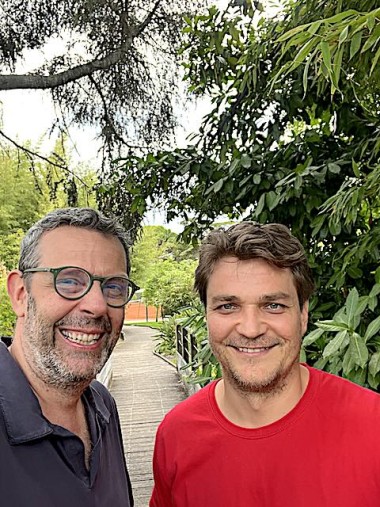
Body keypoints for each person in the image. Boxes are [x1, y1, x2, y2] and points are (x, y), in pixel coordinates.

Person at [150, 221, 380, 507]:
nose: (250, 328)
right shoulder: (176, 435)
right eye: (227, 306)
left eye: (273, 306)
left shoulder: (373, 426)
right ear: (207, 316)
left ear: (303, 314)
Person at [1, 207, 138, 506]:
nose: (97, 305)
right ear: (21, 294)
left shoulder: (102, 406)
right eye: (69, 281)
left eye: (113, 287)